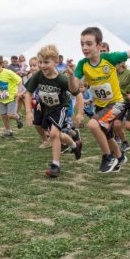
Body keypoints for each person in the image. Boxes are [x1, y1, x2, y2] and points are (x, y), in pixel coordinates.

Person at [67, 27, 130, 173]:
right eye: (82, 44)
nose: (84, 47)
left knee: (93, 125)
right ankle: (120, 156)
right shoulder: (82, 64)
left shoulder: (110, 58)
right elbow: (74, 89)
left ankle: (108, 156)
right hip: (100, 105)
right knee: (106, 134)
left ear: (99, 45)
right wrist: (71, 76)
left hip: (117, 103)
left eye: (89, 43)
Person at [24, 45, 83, 177]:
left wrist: (80, 112)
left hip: (61, 108)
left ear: (56, 61)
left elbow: (77, 94)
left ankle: (55, 165)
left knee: (54, 134)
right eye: (40, 62)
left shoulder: (61, 79)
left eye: (46, 62)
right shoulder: (38, 75)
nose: (42, 66)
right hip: (46, 108)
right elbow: (28, 93)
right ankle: (75, 145)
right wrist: (28, 112)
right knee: (58, 135)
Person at [0, 55, 23, 138]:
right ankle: (9, 131)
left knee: (10, 115)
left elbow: (19, 80)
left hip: (11, 98)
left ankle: (18, 117)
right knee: (4, 116)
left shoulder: (8, 72)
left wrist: (18, 92)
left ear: (1, 64)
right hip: (1, 99)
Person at [26, 56, 51, 148]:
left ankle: (69, 135)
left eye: (34, 65)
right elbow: (28, 91)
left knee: (49, 125)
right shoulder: (32, 78)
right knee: (36, 124)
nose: (32, 67)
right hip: (37, 104)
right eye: (30, 65)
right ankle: (46, 140)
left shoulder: (46, 76)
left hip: (49, 104)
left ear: (40, 65)